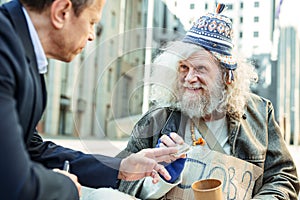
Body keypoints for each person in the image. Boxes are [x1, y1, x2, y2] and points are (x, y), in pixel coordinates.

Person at [0, 0, 182, 199]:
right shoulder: (4, 56)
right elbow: (14, 183)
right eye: (92, 22)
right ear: (61, 12)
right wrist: (66, 186)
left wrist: (121, 168)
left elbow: (33, 149)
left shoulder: (18, 50)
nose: (91, 36)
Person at [116, 3, 300, 200]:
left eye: (200, 69)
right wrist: (160, 177)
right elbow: (120, 180)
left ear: (226, 76)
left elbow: (283, 178)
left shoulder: (261, 113)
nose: (189, 78)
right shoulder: (156, 119)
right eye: (184, 68)